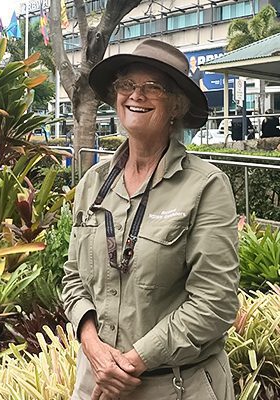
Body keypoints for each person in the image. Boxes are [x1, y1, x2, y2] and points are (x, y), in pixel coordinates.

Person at [62, 39, 239, 400]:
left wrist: (132, 362)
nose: (135, 95)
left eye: (152, 87)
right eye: (127, 85)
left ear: (176, 104)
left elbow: (216, 302)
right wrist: (93, 345)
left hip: (175, 386)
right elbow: (73, 277)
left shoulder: (205, 186)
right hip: (95, 381)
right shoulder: (93, 183)